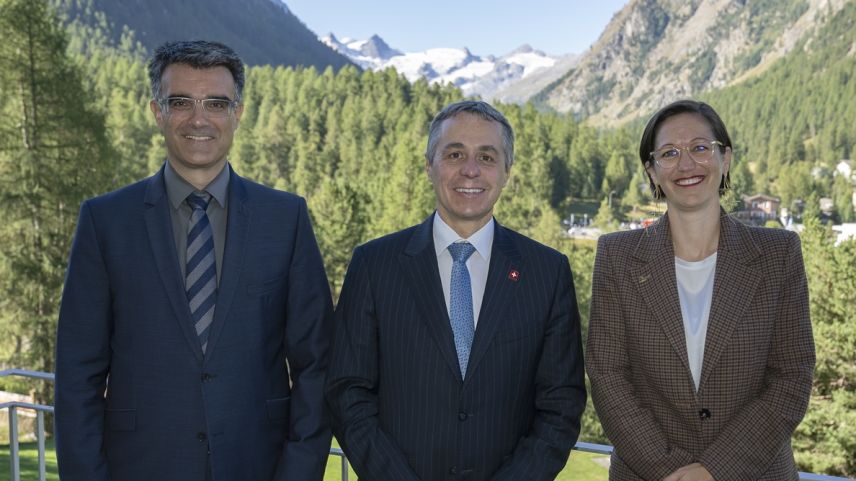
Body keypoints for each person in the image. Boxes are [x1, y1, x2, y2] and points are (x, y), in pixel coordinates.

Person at [54, 40, 333, 481]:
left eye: (216, 103)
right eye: (180, 101)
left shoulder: (286, 218)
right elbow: (77, 375)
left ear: (237, 114)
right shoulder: (104, 221)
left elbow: (317, 365)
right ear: (157, 111)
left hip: (257, 466)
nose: (199, 118)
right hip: (139, 467)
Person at [325, 100, 586, 481]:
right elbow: (347, 392)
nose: (470, 169)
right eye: (454, 153)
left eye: (487, 156)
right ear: (429, 165)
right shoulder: (373, 265)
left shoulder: (547, 272)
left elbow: (561, 405)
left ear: (507, 171)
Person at [586, 99, 815, 481]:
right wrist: (674, 471)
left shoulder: (779, 254)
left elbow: (791, 377)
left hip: (755, 473)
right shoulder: (617, 256)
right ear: (653, 171)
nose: (687, 163)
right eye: (670, 153)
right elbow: (608, 376)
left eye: (700, 148)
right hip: (649, 474)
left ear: (725, 159)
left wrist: (714, 471)